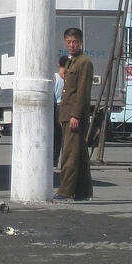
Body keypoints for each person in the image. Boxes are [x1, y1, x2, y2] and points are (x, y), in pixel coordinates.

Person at [54, 28, 94, 202]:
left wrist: (75, 115)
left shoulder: (84, 62)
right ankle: (83, 191)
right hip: (66, 113)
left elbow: (82, 92)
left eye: (75, 42)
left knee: (69, 155)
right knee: (80, 154)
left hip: (74, 115)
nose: (72, 45)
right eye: (69, 42)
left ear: (81, 42)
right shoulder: (71, 62)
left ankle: (65, 191)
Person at [52, 56, 68, 167]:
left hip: (55, 107)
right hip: (65, 107)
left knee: (56, 136)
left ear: (58, 64)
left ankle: (54, 161)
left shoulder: (54, 77)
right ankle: (65, 161)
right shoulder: (67, 79)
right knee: (64, 136)